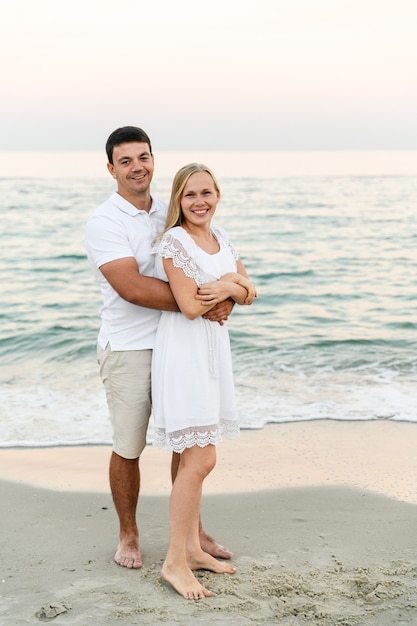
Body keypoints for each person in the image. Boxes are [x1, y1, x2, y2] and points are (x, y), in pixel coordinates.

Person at [85, 126, 236, 570]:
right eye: (126, 161)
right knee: (129, 445)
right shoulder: (104, 221)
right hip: (130, 345)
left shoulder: (167, 212)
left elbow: (209, 262)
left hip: (179, 344)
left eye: (144, 157)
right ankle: (128, 534)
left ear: (154, 160)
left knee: (188, 441)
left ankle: (192, 533)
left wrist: (222, 295)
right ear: (111, 168)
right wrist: (206, 304)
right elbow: (130, 286)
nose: (137, 167)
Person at [151, 163, 257, 599]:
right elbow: (191, 308)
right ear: (178, 199)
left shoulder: (221, 238)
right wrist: (232, 285)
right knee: (201, 460)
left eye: (207, 192)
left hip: (214, 356)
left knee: (194, 458)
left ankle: (192, 549)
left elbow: (251, 291)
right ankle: (174, 562)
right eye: (190, 194)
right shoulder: (173, 241)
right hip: (183, 353)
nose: (200, 201)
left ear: (218, 195)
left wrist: (231, 286)